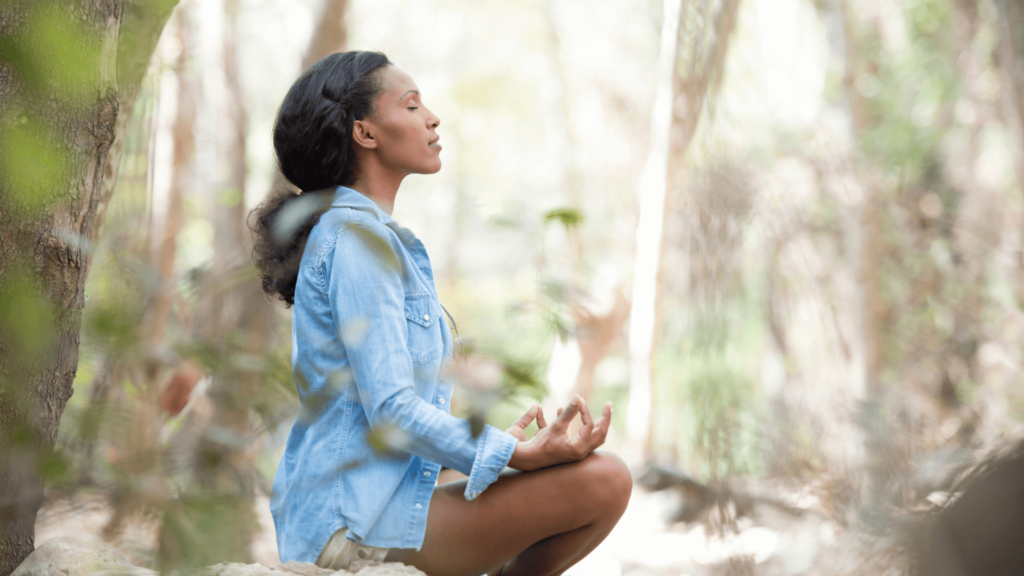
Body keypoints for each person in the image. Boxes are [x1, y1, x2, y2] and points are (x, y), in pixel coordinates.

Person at [250, 50, 632, 576]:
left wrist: (498, 452)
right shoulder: (357, 241)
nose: (431, 117)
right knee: (605, 481)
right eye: (411, 105)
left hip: (369, 499)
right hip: (351, 525)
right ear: (365, 134)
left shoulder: (363, 235)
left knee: (556, 474)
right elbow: (391, 409)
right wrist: (515, 455)